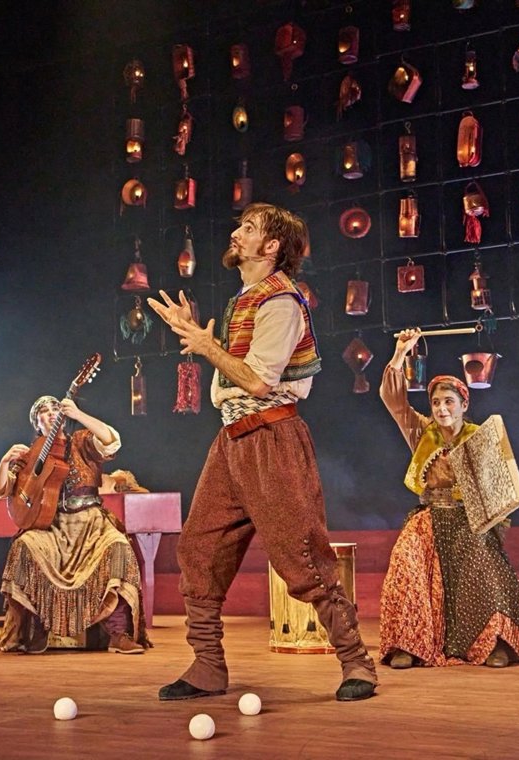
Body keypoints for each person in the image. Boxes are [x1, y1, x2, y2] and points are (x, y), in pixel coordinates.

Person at [148, 202, 378, 702]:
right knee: (199, 550)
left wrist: (206, 346)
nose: (237, 233)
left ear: (272, 246)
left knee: (302, 555)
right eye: (240, 225)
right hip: (231, 440)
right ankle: (207, 666)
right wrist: (202, 338)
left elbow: (257, 381)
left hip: (272, 438)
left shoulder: (282, 303)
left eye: (248, 228)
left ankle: (356, 662)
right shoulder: (244, 299)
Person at [377, 329, 519, 669]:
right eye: (436, 402)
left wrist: (493, 526)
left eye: (448, 401)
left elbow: (498, 487)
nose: (441, 408)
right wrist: (399, 355)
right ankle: (408, 644)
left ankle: (494, 642)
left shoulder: (479, 437)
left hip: (469, 519)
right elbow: (394, 401)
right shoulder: (421, 431)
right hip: (430, 515)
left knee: (484, 564)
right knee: (406, 559)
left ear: (464, 405)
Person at [0, 396, 146, 655]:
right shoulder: (29, 456)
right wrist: (4, 461)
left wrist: (79, 414)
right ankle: (35, 631)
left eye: (55, 408)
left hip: (91, 523)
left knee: (119, 546)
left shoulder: (82, 441)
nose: (51, 412)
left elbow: (111, 441)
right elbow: (1, 489)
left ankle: (118, 634)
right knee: (23, 547)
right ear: (36, 423)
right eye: (44, 411)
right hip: (51, 525)